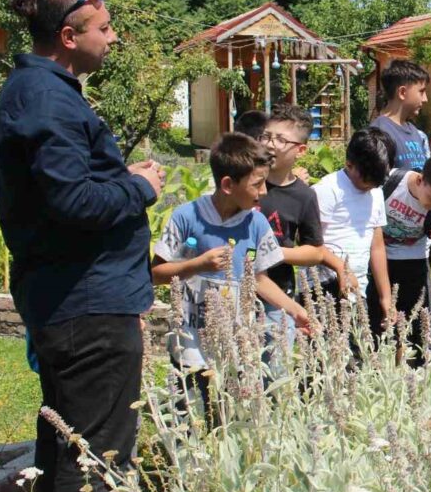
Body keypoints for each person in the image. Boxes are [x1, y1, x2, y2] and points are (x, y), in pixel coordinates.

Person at [0, 0, 163, 492]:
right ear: (70, 36)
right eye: (105, 28)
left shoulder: (44, 91)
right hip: (86, 301)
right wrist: (139, 186)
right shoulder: (46, 99)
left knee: (72, 442)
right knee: (94, 450)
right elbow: (75, 202)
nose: (113, 39)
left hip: (82, 295)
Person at [152, 134, 310, 375]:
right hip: (191, 345)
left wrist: (296, 310)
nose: (264, 191)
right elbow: (156, 274)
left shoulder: (256, 223)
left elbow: (259, 279)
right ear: (228, 185)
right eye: (257, 184)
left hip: (238, 349)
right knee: (194, 408)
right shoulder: (186, 217)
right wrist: (197, 264)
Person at [254, 104, 349, 372]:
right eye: (266, 136)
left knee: (273, 376)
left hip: (278, 297)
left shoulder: (304, 196)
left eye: (281, 140)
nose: (270, 144)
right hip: (237, 293)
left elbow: (315, 251)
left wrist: (274, 253)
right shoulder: (245, 182)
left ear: (301, 150)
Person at [373, 154, 431, 365]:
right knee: (380, 331)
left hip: (414, 263)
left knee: (416, 336)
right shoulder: (390, 183)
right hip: (380, 261)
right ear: (419, 180)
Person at [311, 128, 393, 319]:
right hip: (325, 289)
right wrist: (341, 268)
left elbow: (377, 246)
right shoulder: (327, 190)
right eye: (366, 182)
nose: (370, 187)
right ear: (349, 165)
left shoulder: (376, 192)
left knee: (358, 346)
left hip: (358, 290)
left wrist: (386, 296)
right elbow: (311, 243)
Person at [370, 59, 431, 171]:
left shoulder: (414, 131)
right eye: (421, 91)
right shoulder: (379, 132)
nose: (425, 99)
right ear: (402, 93)